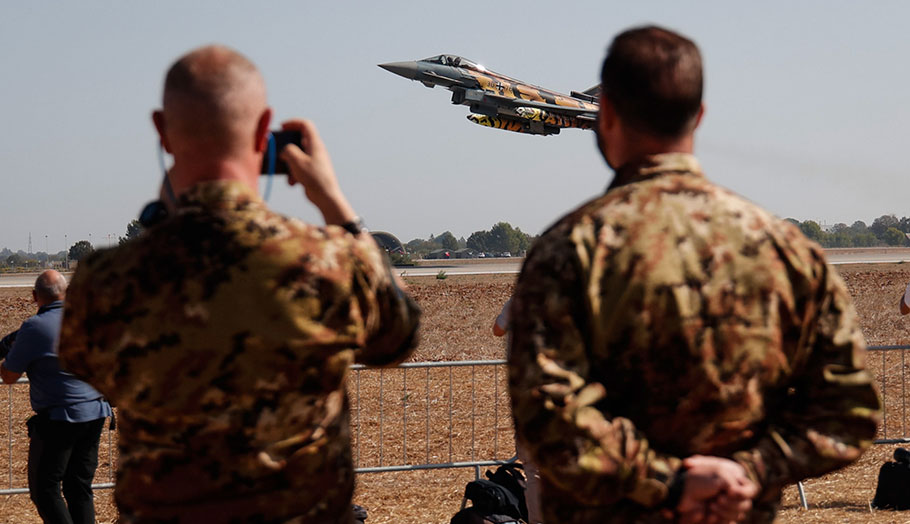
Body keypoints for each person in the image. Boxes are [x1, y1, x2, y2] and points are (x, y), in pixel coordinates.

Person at [507, 25, 882, 524]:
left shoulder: (569, 252)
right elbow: (850, 411)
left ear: (608, 113)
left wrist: (670, 483)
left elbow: (547, 419)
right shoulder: (790, 251)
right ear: (699, 115)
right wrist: (747, 471)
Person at [57, 45, 420, 524]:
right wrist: (336, 205)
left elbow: (88, 365)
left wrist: (162, 217)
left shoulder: (106, 280)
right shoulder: (329, 260)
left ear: (162, 132)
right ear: (265, 129)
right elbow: (396, 339)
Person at [1, 270, 112, 524]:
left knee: (45, 488)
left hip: (61, 417)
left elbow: (9, 376)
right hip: (95, 412)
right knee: (78, 487)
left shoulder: (34, 327)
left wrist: (10, 358)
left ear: (34, 296)